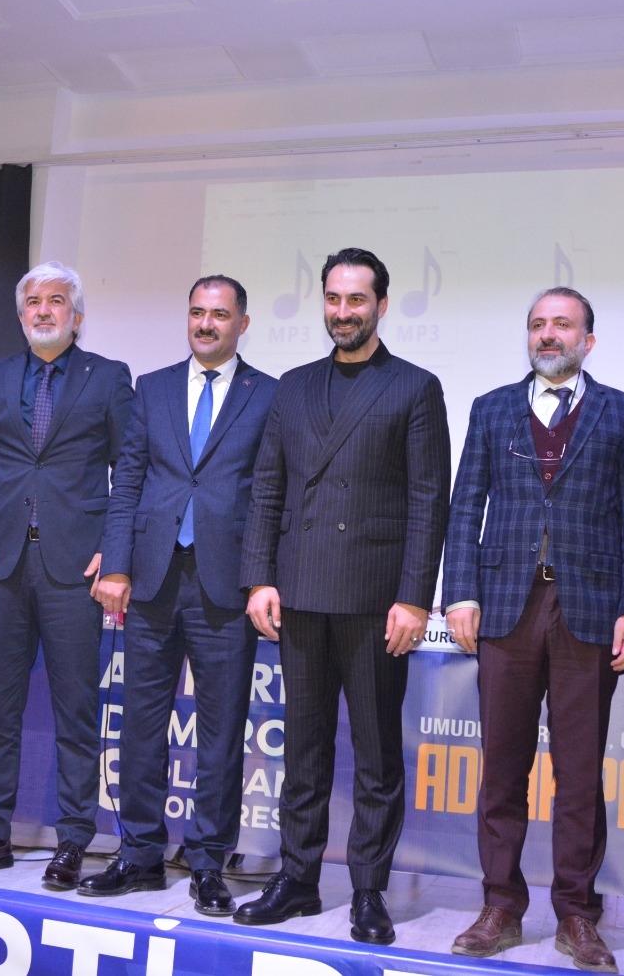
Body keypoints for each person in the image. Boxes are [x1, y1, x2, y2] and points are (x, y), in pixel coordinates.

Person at [234, 247, 450, 945]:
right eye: (333, 298)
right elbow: (268, 487)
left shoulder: (414, 387)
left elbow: (428, 501)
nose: (343, 311)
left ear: (380, 305)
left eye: (356, 299)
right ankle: (298, 879)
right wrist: (259, 577)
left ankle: (367, 889)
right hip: (299, 593)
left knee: (378, 754)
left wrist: (414, 598)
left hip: (375, 599)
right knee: (303, 748)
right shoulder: (293, 387)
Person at [442, 287, 624, 971]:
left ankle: (577, 913)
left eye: (562, 325)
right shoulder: (491, 407)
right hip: (506, 606)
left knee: (580, 773)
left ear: (588, 339)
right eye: (537, 324)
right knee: (502, 769)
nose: (548, 335)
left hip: (589, 611)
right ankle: (500, 905)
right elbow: (465, 505)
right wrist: (459, 593)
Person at [82, 275, 278, 915]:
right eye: (197, 312)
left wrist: (261, 577)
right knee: (140, 723)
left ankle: (208, 863)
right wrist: (116, 564)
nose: (205, 324)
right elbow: (128, 481)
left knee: (221, 731)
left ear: (242, 323)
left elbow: (270, 494)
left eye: (219, 314)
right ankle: (138, 854)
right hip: (152, 579)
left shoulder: (268, 394)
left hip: (226, 584)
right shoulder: (154, 387)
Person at [0, 262, 133, 888]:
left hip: (74, 570)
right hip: (0, 566)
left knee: (75, 713)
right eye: (33, 301)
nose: (44, 310)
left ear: (76, 316)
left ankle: (74, 839)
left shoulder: (108, 377)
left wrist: (114, 551)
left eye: (56, 301)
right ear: (21, 313)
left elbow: (129, 471)